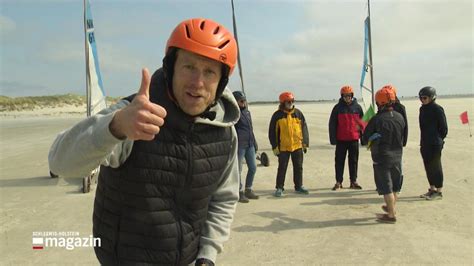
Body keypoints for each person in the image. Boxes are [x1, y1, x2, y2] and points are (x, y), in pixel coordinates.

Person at [49, 18, 240, 266]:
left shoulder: (224, 132)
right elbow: (60, 162)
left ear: (221, 81)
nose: (197, 83)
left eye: (209, 72)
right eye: (189, 67)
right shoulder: (133, 116)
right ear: (171, 67)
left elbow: (223, 199)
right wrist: (115, 127)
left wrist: (207, 255)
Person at [362, 86, 405, 223]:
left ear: (379, 103)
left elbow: (365, 138)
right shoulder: (400, 117)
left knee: (386, 186)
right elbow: (404, 136)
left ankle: (391, 215)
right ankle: (391, 207)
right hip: (397, 155)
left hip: (382, 156)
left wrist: (370, 136)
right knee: (395, 185)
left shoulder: (377, 119)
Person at [268, 91, 310, 197]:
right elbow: (272, 132)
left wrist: (305, 143)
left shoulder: (298, 113)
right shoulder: (277, 116)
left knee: (298, 167)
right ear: (282, 102)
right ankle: (279, 188)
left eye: (292, 101)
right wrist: (275, 147)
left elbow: (304, 129)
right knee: (282, 168)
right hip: (283, 147)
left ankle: (299, 186)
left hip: (297, 146)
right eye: (288, 101)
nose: (290, 103)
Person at [328, 85, 364, 190]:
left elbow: (362, 123)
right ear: (342, 96)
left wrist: (363, 138)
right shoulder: (337, 108)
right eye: (345, 96)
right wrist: (333, 139)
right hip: (341, 140)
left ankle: (353, 181)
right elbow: (332, 124)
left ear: (352, 96)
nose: (347, 97)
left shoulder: (357, 108)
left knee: (353, 161)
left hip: (353, 139)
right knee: (339, 161)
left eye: (349, 96)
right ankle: (338, 182)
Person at [418, 86, 448, 200]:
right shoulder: (422, 109)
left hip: (435, 143)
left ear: (432, 97)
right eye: (421, 98)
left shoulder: (437, 109)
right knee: (428, 166)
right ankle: (432, 189)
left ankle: (439, 191)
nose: (422, 100)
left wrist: (438, 139)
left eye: (424, 98)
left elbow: (444, 128)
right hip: (425, 143)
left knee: (436, 167)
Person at [232, 90, 259, 203]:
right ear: (235, 101)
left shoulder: (247, 113)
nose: (243, 102)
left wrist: (254, 141)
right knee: (238, 170)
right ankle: (239, 192)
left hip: (250, 144)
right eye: (241, 101)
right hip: (239, 145)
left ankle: (248, 189)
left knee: (253, 167)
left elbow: (250, 129)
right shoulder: (234, 114)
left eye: (244, 100)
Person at [383, 85, 408, 189]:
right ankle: (386, 183)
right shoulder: (383, 105)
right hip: (386, 139)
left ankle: (397, 185)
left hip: (397, 139)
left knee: (397, 163)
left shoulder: (400, 107)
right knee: (385, 162)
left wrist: (404, 140)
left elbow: (405, 125)